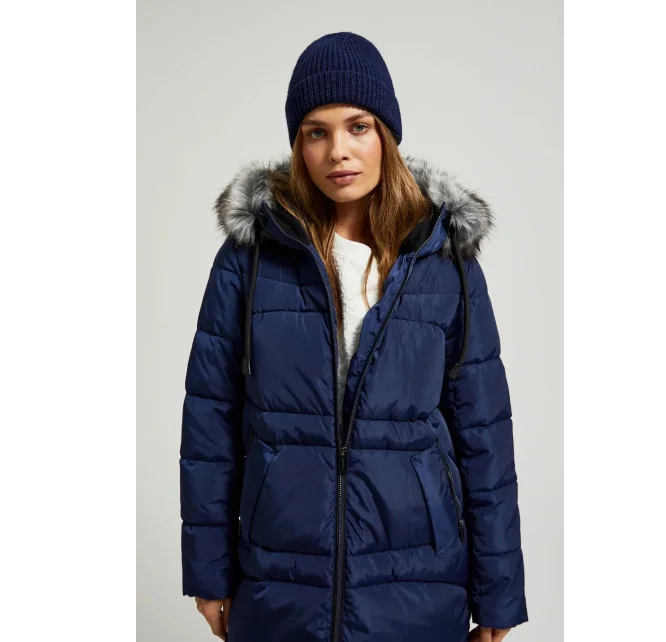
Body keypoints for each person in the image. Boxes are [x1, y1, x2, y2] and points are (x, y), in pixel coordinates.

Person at [179, 31, 528, 642]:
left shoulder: (443, 260)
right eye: (317, 131)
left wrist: (499, 593)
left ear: (385, 134)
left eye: (358, 126)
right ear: (298, 144)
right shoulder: (251, 258)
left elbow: (485, 435)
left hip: (418, 584)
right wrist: (208, 574)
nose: (338, 150)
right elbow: (210, 423)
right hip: (280, 581)